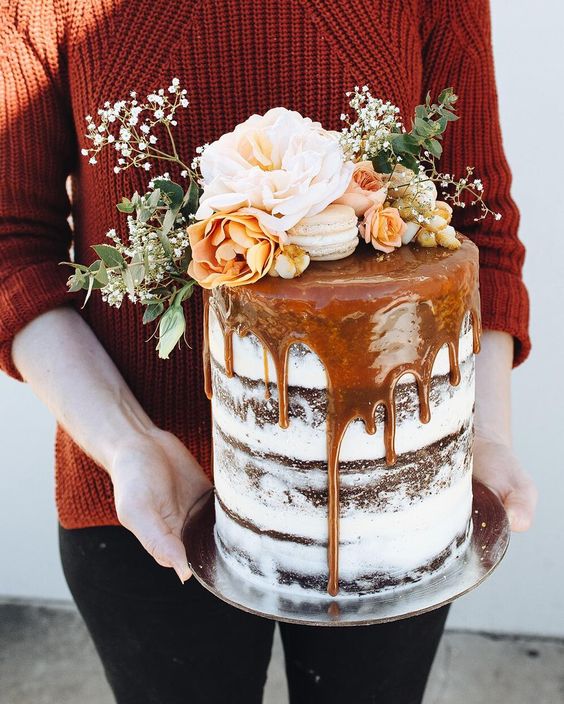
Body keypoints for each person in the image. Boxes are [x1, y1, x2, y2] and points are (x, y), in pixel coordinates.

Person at [0, 1, 537, 702]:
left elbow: (478, 230)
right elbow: (13, 247)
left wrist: (483, 434)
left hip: (391, 506)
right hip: (140, 498)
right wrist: (127, 443)